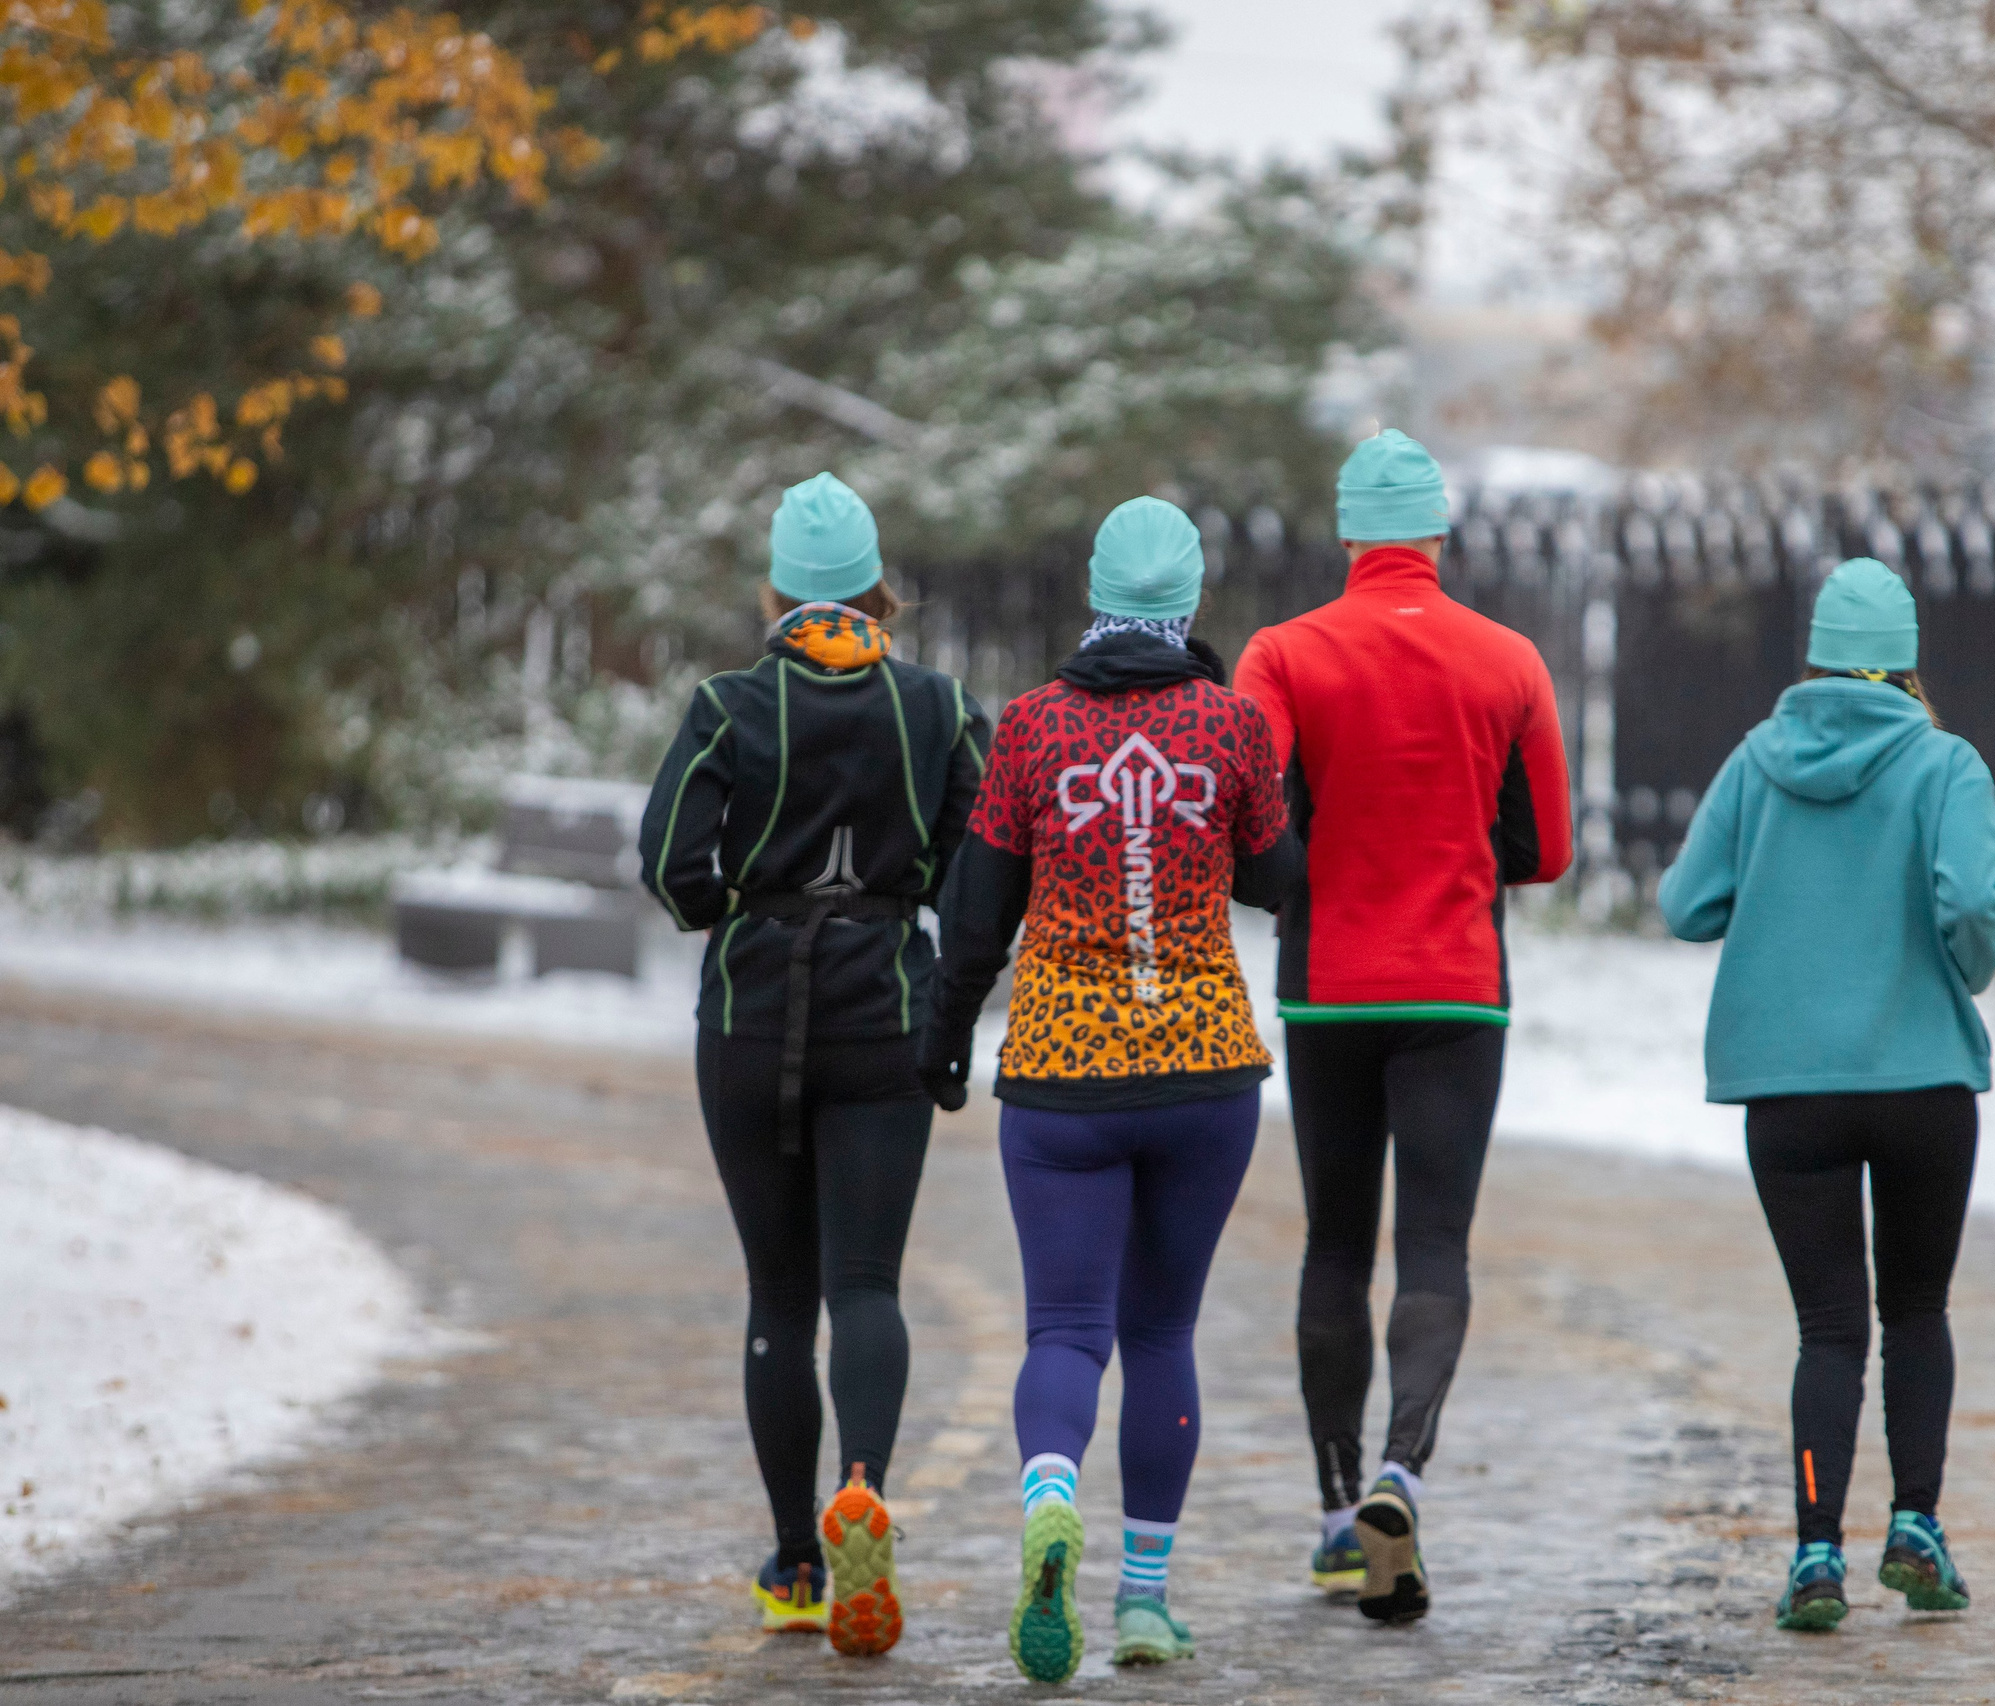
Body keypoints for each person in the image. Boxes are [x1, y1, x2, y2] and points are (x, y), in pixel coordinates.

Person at [918, 497, 1303, 1681]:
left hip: (1060, 1078)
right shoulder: (1232, 726)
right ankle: (1143, 1597)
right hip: (1202, 1071)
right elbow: (1279, 880)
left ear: (1095, 595)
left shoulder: (1028, 731)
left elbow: (973, 916)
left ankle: (1047, 1498)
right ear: (1190, 605)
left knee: (1067, 1329)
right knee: (1162, 1328)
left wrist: (941, 1041)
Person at [638, 471, 988, 1655]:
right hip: (886, 1006)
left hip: (753, 1012)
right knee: (867, 1286)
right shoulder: (936, 704)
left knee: (778, 1295)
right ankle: (866, 1483)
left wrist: (741, 899)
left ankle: (795, 1556)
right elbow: (979, 862)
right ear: (876, 588)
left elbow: (672, 868)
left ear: (778, 589)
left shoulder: (728, 703)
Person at [1233, 429, 1574, 1624]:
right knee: (1435, 1245)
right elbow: (1546, 849)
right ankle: (1400, 1470)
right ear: (1436, 534)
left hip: (1329, 988)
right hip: (1455, 986)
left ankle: (1336, 1518)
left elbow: (1251, 820)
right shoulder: (1509, 659)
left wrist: (1308, 874)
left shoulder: (1281, 654)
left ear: (1346, 536)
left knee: (1334, 1243)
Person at [1656, 557, 1995, 1632]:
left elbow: (1685, 903)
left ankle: (1814, 1554)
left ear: (1812, 651)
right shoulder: (1946, 764)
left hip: (1789, 1087)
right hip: (1921, 1080)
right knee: (1915, 1310)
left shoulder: (1758, 761)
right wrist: (1965, 961)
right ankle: (1915, 1525)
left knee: (1826, 1327)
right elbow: (1971, 903)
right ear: (1906, 661)